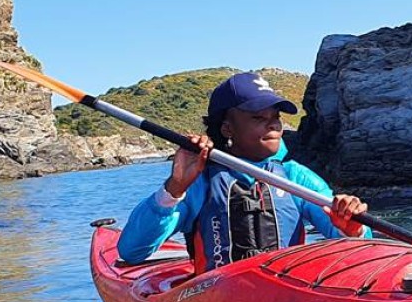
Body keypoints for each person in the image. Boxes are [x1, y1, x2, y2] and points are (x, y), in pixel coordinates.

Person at [118, 71, 372, 271]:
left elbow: (360, 247)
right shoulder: (200, 182)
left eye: (275, 116)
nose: (273, 124)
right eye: (258, 118)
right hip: (218, 300)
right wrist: (174, 188)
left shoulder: (296, 177)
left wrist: (351, 228)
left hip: (285, 294)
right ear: (228, 129)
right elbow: (131, 251)